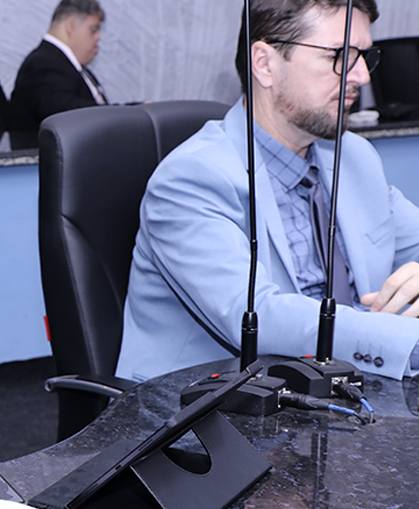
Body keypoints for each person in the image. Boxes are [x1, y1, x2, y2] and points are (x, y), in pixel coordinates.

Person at [117, 0, 419, 382]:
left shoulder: (354, 157)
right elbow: (259, 317)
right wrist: (408, 342)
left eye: (364, 57)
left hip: (339, 391)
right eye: (340, 56)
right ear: (264, 63)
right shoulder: (190, 179)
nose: (361, 76)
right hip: (209, 404)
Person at [7, 0, 108, 132]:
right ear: (70, 26)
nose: (98, 37)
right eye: (93, 30)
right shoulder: (42, 64)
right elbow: (68, 114)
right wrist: (123, 113)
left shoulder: (62, 64)